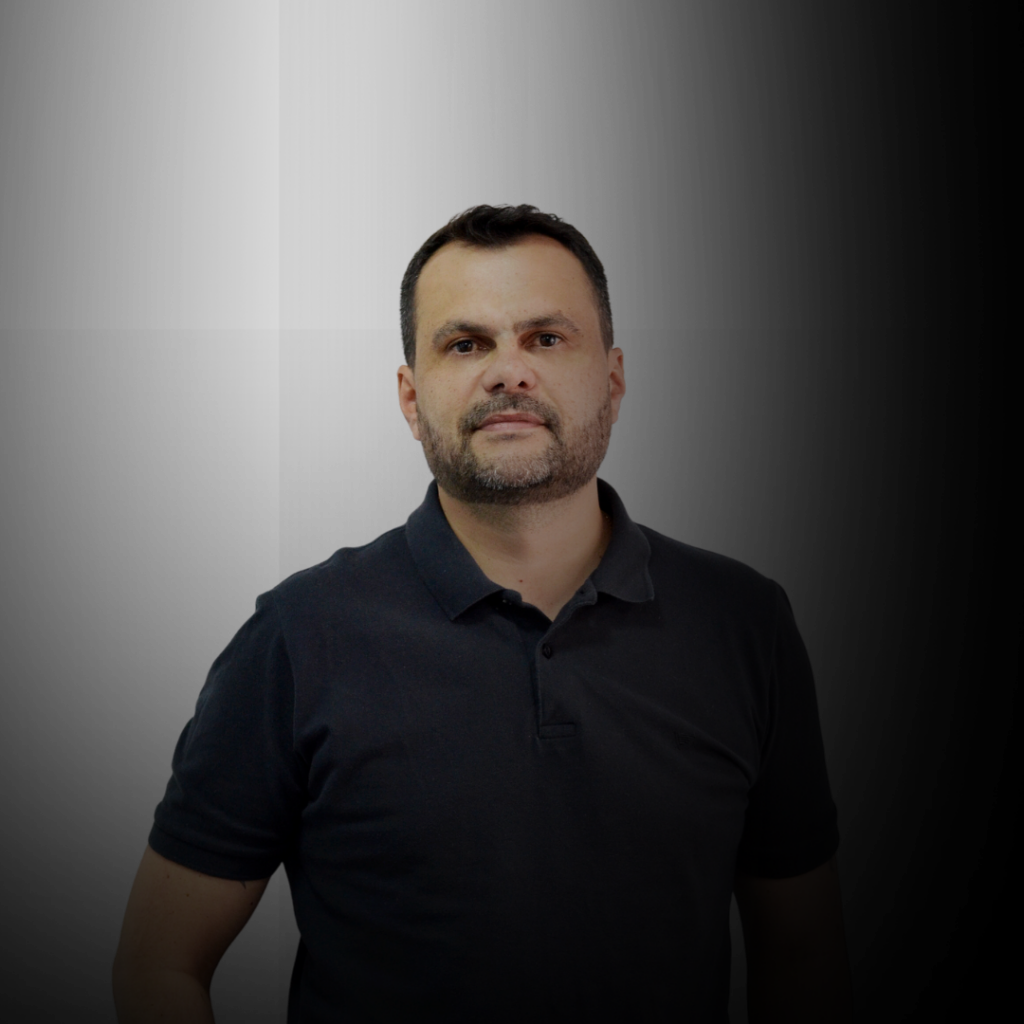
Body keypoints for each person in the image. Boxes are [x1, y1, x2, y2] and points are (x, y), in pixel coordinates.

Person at [112, 203, 853, 1023]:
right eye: (466, 344)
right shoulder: (296, 634)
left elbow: (803, 956)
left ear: (613, 382)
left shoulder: (743, 622)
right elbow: (158, 964)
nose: (509, 372)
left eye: (546, 338)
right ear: (410, 399)